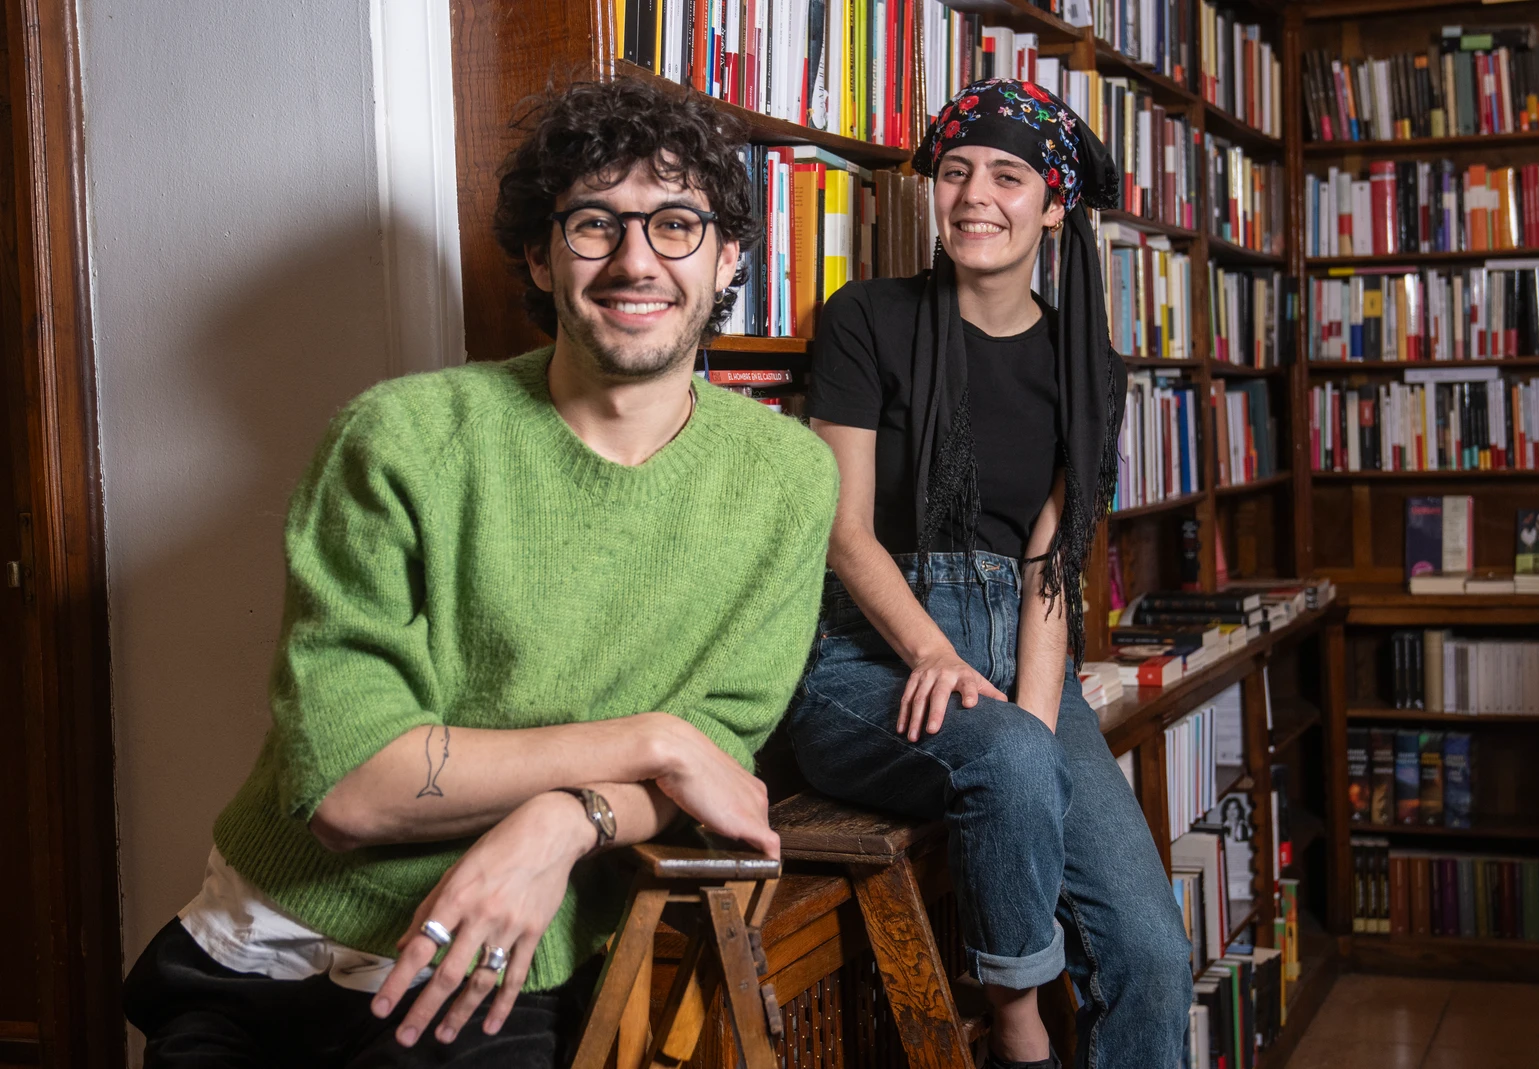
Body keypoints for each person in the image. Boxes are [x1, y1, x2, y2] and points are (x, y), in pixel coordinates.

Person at [121, 77, 838, 1067]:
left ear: (729, 259)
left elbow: (712, 762)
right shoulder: (402, 436)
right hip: (272, 947)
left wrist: (565, 820)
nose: (636, 260)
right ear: (540, 257)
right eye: (595, 223)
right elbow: (350, 790)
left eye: (676, 224)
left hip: (499, 960)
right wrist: (650, 739)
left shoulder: (787, 477)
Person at [785, 79, 1193, 1069]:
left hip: (1021, 658)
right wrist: (934, 652)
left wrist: (1036, 722)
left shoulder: (1088, 368)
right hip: (863, 658)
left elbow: (1049, 566)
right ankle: (1020, 1036)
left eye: (1008, 175)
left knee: (1151, 953)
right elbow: (842, 530)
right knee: (1007, 755)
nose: (975, 195)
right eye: (956, 170)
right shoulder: (865, 318)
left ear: (1053, 206)